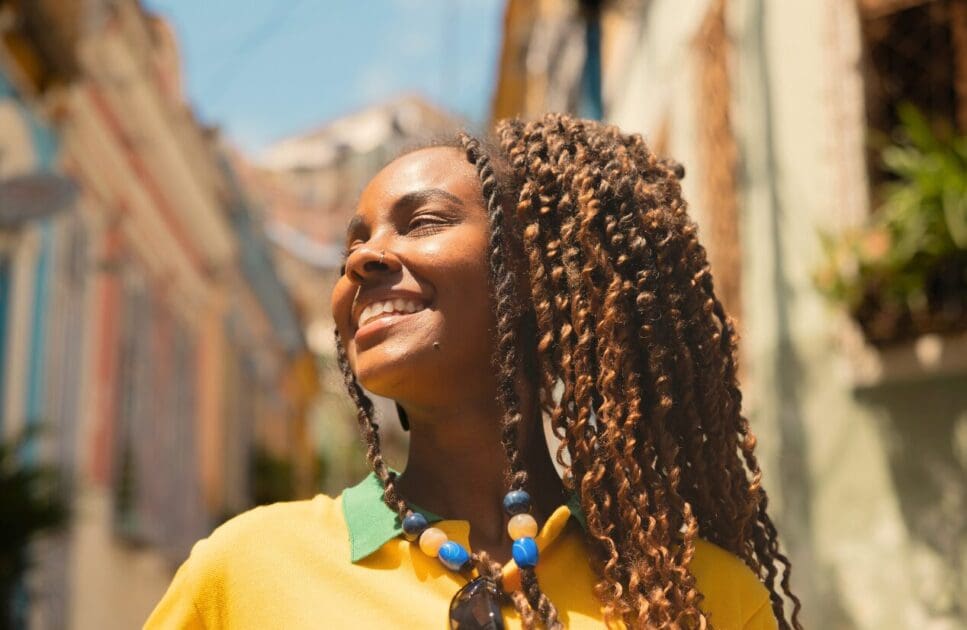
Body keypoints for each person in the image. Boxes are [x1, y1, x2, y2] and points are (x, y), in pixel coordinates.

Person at [146, 113, 802, 629]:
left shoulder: (700, 597)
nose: (363, 259)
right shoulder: (248, 571)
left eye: (422, 220)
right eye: (356, 240)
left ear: (538, 280)